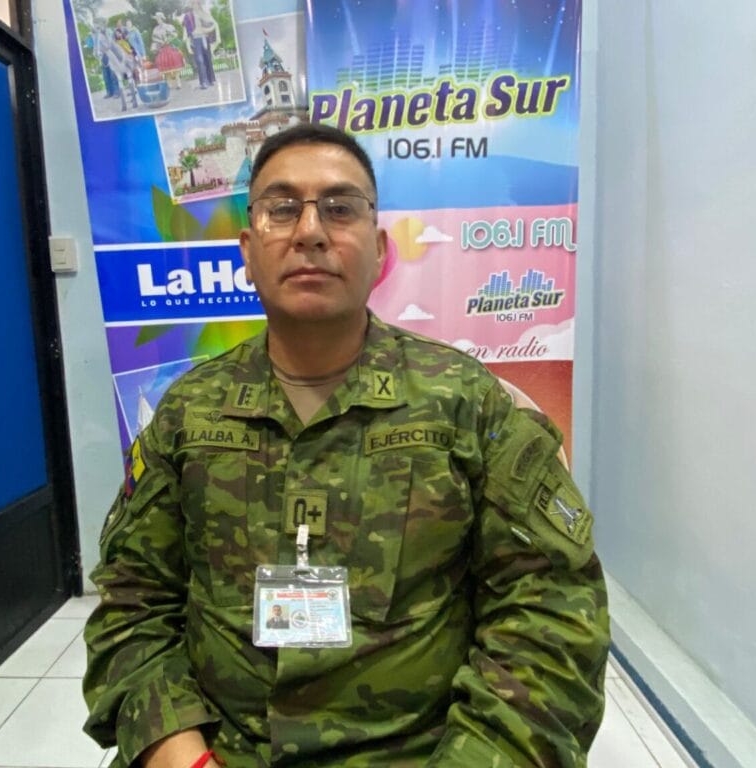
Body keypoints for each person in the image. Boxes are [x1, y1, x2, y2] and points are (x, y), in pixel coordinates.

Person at [83, 123, 609, 768]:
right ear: (247, 250)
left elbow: (551, 608)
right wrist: (181, 755)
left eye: (339, 208)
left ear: (380, 249)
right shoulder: (188, 413)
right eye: (282, 209)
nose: (310, 231)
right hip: (218, 749)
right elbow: (132, 598)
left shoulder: (469, 404)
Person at [181, 0, 218, 89]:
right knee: (200, 60)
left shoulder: (205, 14)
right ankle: (203, 82)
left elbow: (212, 25)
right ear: (191, 5)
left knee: (207, 59)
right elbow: (187, 31)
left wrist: (210, 28)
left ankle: (210, 80)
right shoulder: (188, 16)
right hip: (196, 39)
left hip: (205, 38)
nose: (196, 4)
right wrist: (188, 44)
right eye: (193, 3)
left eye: (197, 3)